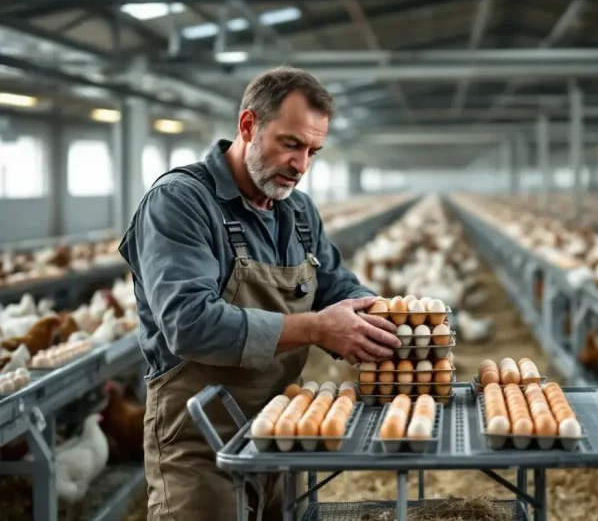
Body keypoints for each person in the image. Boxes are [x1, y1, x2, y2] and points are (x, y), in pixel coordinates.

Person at [119, 66, 401, 521]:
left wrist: (382, 314)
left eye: (313, 151)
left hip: (286, 429)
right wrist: (316, 328)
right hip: (202, 441)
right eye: (291, 144)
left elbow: (333, 283)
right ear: (248, 126)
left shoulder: (299, 212)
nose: (301, 165)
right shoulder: (180, 202)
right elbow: (188, 325)